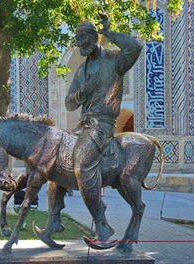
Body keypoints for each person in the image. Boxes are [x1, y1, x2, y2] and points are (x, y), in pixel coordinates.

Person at [65, 13, 142, 229]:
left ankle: (102, 223)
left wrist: (109, 32)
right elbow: (69, 104)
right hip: (83, 124)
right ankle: (53, 220)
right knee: (54, 162)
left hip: (102, 125)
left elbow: (135, 47)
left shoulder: (114, 60)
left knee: (81, 167)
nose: (80, 43)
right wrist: (82, 92)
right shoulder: (82, 70)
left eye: (83, 38)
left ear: (94, 37)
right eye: (77, 39)